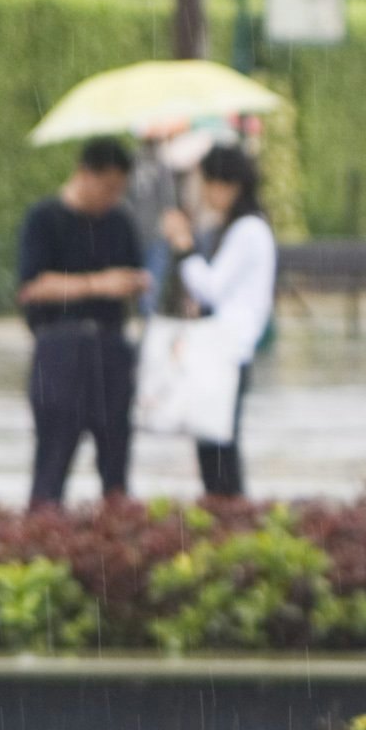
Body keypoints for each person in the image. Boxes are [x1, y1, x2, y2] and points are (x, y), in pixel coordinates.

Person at [17, 135, 144, 506]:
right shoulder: (44, 218)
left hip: (111, 348)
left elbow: (134, 275)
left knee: (116, 464)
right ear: (84, 174)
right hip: (59, 348)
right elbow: (32, 287)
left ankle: (118, 548)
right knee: (52, 462)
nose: (112, 197)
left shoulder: (121, 221)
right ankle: (41, 545)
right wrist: (96, 284)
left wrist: (135, 283)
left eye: (120, 189)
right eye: (107, 187)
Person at [160, 142, 278, 497]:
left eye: (208, 183)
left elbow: (210, 287)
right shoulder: (238, 228)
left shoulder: (247, 230)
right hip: (222, 349)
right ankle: (226, 516)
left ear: (228, 185)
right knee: (213, 445)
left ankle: (228, 516)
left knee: (218, 448)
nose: (205, 193)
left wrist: (183, 244)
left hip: (226, 351)